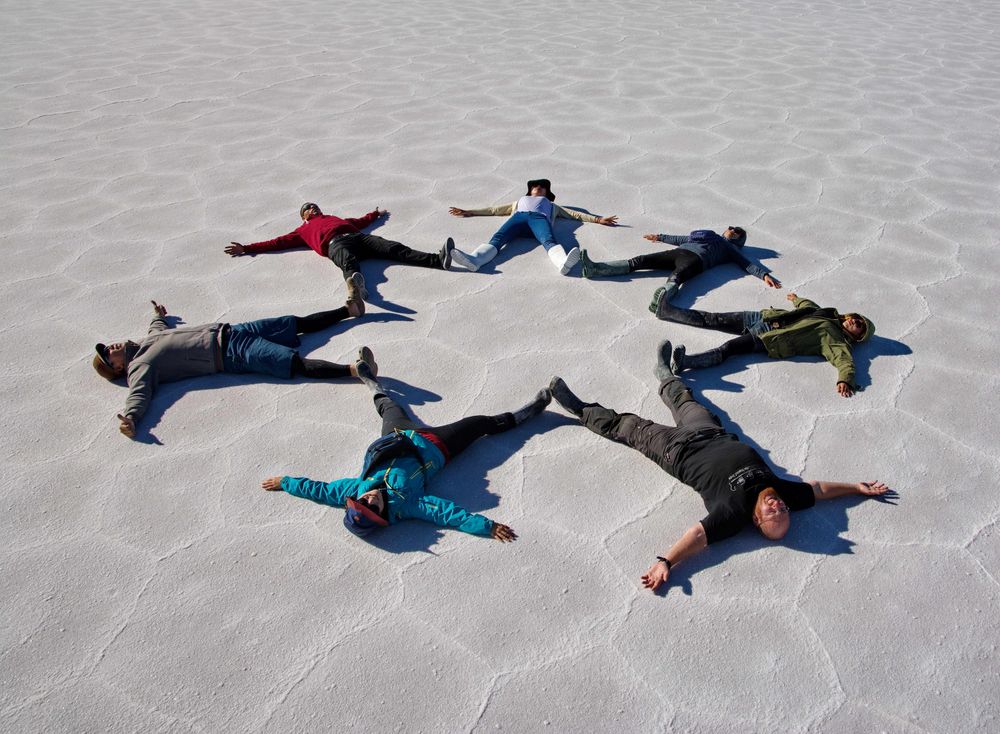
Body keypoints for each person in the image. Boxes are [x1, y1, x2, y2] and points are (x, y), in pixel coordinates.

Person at [548, 341, 893, 592]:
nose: (779, 506)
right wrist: (857, 488)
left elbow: (697, 536)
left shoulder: (732, 515)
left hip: (675, 452)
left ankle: (579, 410)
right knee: (685, 400)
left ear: (757, 520)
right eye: (785, 510)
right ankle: (665, 374)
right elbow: (818, 490)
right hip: (709, 432)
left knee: (628, 426)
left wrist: (665, 562)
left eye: (775, 514)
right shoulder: (785, 494)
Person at [261, 362, 552, 540]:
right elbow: (446, 513)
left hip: (395, 437)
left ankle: (368, 379)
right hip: (435, 447)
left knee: (389, 407)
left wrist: (286, 483)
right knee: (478, 425)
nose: (370, 498)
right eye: (371, 506)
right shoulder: (407, 504)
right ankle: (531, 411)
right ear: (381, 514)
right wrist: (486, 526)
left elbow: (319, 490)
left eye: (363, 501)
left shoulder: (352, 489)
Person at [93, 299, 373, 438]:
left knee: (294, 323)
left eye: (106, 347)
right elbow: (139, 393)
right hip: (229, 353)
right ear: (117, 369)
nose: (111, 348)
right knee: (290, 363)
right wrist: (131, 418)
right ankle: (355, 370)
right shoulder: (140, 366)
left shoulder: (146, 340)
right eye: (108, 355)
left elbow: (157, 326)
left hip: (233, 330)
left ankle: (349, 310)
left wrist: (158, 315)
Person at [654, 291, 875, 397]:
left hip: (771, 338)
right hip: (764, 318)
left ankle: (685, 363)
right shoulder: (828, 314)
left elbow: (844, 361)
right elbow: (809, 306)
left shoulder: (837, 340)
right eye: (857, 318)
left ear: (857, 337)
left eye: (859, 327)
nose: (855, 322)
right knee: (712, 318)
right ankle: (666, 311)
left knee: (729, 348)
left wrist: (845, 380)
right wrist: (796, 299)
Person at [225, 202, 455, 302]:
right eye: (307, 208)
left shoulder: (335, 218)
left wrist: (374, 215)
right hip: (336, 244)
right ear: (303, 216)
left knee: (393, 248)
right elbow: (277, 242)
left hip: (357, 237)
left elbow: (359, 221)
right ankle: (356, 288)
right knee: (348, 262)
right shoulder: (302, 231)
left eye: (313, 206)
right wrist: (247, 248)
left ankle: (437, 260)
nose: (312, 208)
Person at [447, 179, 618, 275]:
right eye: (536, 186)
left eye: (542, 187)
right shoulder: (519, 201)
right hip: (518, 219)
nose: (539, 188)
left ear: (546, 192)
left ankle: (562, 263)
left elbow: (574, 214)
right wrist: (470, 211)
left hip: (539, 219)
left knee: (549, 240)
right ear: (530, 190)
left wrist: (597, 219)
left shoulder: (550, 204)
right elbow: (494, 210)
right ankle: (475, 260)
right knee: (497, 239)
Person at [581, 226, 780, 304]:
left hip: (696, 261)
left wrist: (764, 275)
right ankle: (596, 268)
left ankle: (662, 301)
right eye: (730, 227)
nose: (730, 229)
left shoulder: (728, 248)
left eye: (735, 231)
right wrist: (659, 236)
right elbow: (680, 238)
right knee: (641, 260)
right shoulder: (709, 235)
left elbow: (746, 264)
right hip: (678, 252)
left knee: (677, 277)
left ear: (738, 239)